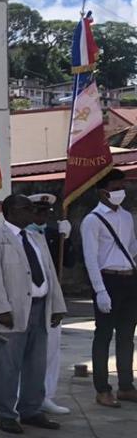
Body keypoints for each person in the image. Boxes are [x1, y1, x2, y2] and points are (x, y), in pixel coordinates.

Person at [0, 194, 67, 434]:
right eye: (25, 208)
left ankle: (31, 409)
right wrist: (1, 309)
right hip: (13, 311)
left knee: (36, 364)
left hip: (39, 307)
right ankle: (5, 413)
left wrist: (57, 305)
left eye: (31, 208)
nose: (31, 212)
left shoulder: (36, 238)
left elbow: (50, 274)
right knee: (9, 365)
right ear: (9, 212)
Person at [80, 168, 137, 407]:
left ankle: (126, 386)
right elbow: (90, 258)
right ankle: (103, 389)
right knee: (103, 336)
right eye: (115, 189)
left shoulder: (126, 216)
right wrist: (100, 290)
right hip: (108, 280)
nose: (120, 192)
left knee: (127, 336)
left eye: (122, 188)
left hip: (129, 279)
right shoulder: (92, 220)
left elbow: (132, 248)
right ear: (102, 192)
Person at [27, 193, 73, 415]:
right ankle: (22, 395)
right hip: (30, 299)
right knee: (26, 352)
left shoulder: (54, 235)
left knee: (52, 350)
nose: (42, 216)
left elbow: (71, 262)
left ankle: (47, 395)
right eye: (38, 212)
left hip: (52, 299)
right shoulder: (22, 236)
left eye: (45, 212)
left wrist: (68, 239)